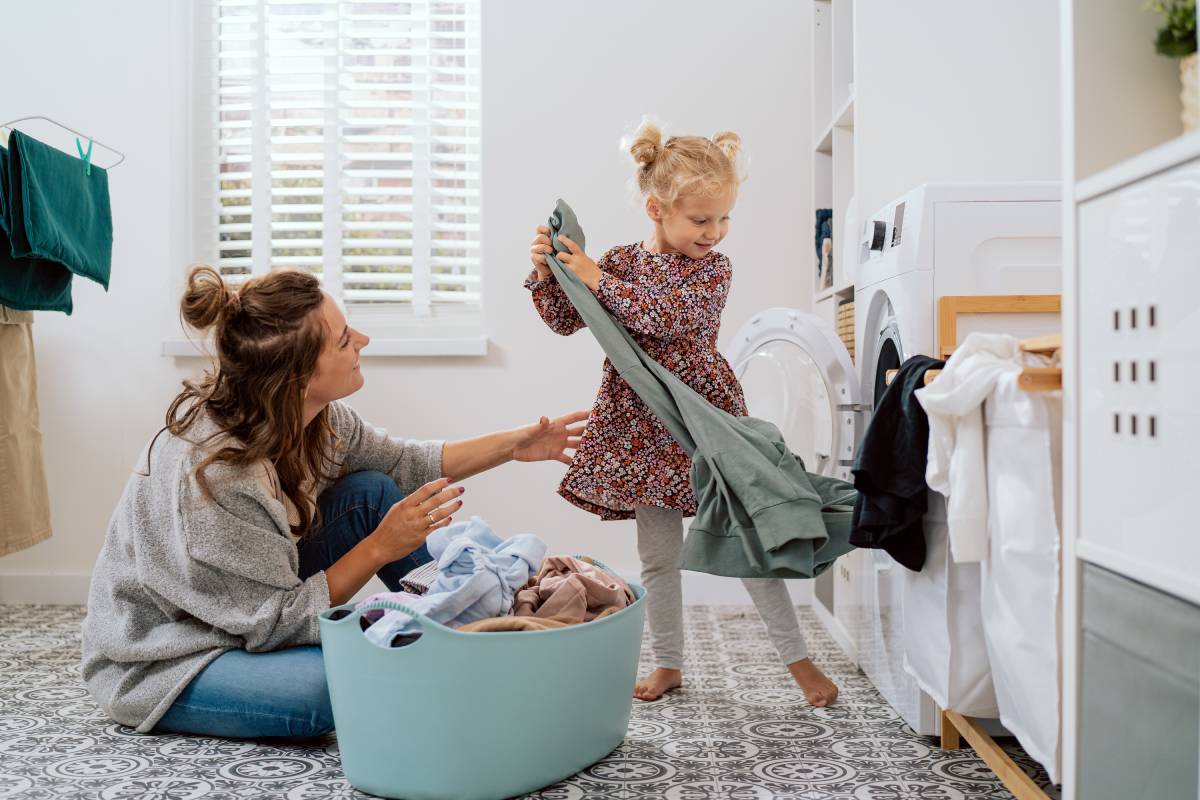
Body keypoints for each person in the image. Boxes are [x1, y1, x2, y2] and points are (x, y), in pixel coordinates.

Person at [81, 266, 588, 738]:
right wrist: (378, 549)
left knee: (372, 493)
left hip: (253, 601)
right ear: (300, 379)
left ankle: (474, 629)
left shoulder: (313, 416)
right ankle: (458, 647)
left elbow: (405, 463)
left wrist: (515, 445)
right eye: (345, 340)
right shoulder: (221, 478)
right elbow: (276, 621)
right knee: (331, 689)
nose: (362, 341)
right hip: (171, 650)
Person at [524, 119, 839, 706]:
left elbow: (668, 318)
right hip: (640, 425)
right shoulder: (618, 260)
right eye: (701, 219)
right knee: (658, 557)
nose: (715, 232)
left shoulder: (711, 270)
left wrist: (596, 277)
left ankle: (799, 662)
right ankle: (668, 662)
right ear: (656, 208)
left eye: (723, 219)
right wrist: (550, 274)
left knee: (750, 543)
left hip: (702, 419)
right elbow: (569, 319)